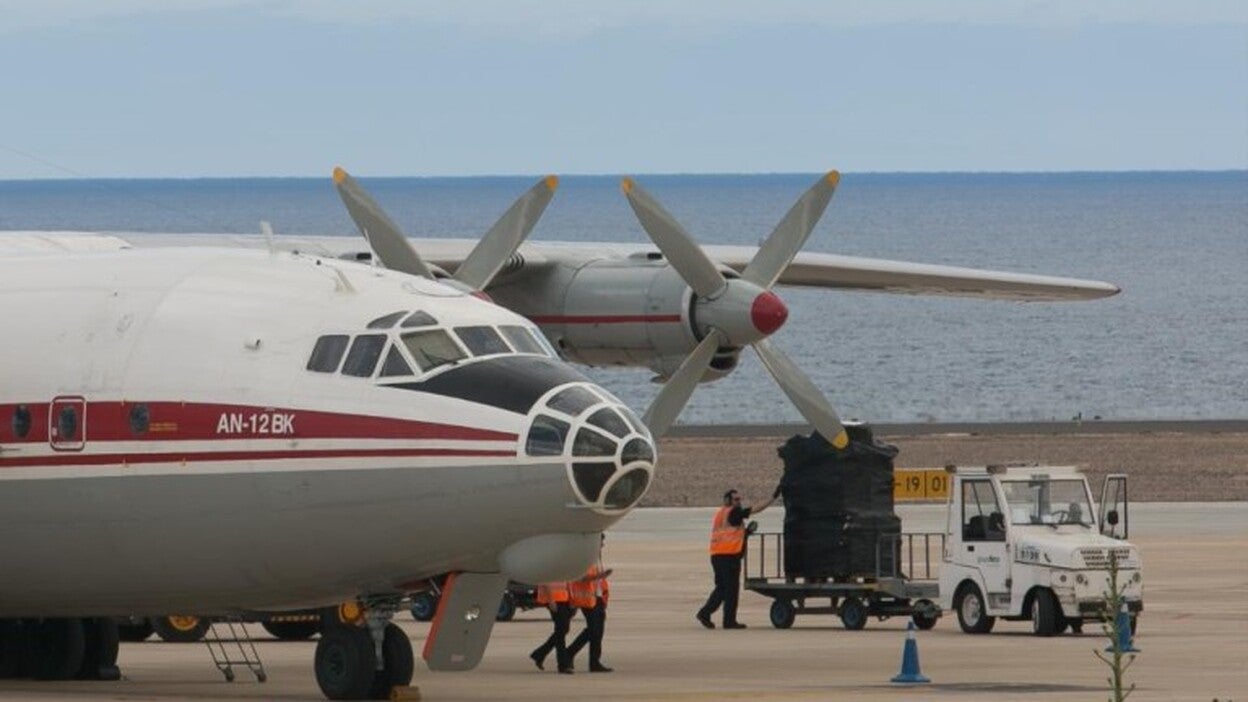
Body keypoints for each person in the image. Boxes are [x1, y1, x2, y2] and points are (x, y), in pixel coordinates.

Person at [696, 486, 779, 629]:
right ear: (728, 500)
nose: (739, 502)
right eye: (736, 499)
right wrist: (772, 498)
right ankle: (728, 621)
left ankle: (705, 613)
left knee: (722, 588)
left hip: (717, 555)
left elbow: (731, 532)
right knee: (731, 590)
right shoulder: (734, 512)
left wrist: (746, 533)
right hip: (729, 557)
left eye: (739, 499)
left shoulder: (721, 513)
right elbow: (755, 509)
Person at [567, 537, 613, 672]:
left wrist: (604, 596)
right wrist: (599, 576)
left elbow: (599, 582)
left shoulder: (596, 557)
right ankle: (570, 653)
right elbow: (579, 577)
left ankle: (594, 662)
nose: (603, 545)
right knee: (593, 630)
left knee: (597, 631)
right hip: (587, 598)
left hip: (598, 598)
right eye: (601, 542)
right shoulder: (584, 558)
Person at [530, 580, 575, 673]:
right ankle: (563, 665)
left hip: (564, 597)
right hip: (555, 599)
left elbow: (567, 581)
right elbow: (546, 580)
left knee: (563, 630)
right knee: (561, 631)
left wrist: (571, 597)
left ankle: (539, 654)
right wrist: (551, 600)